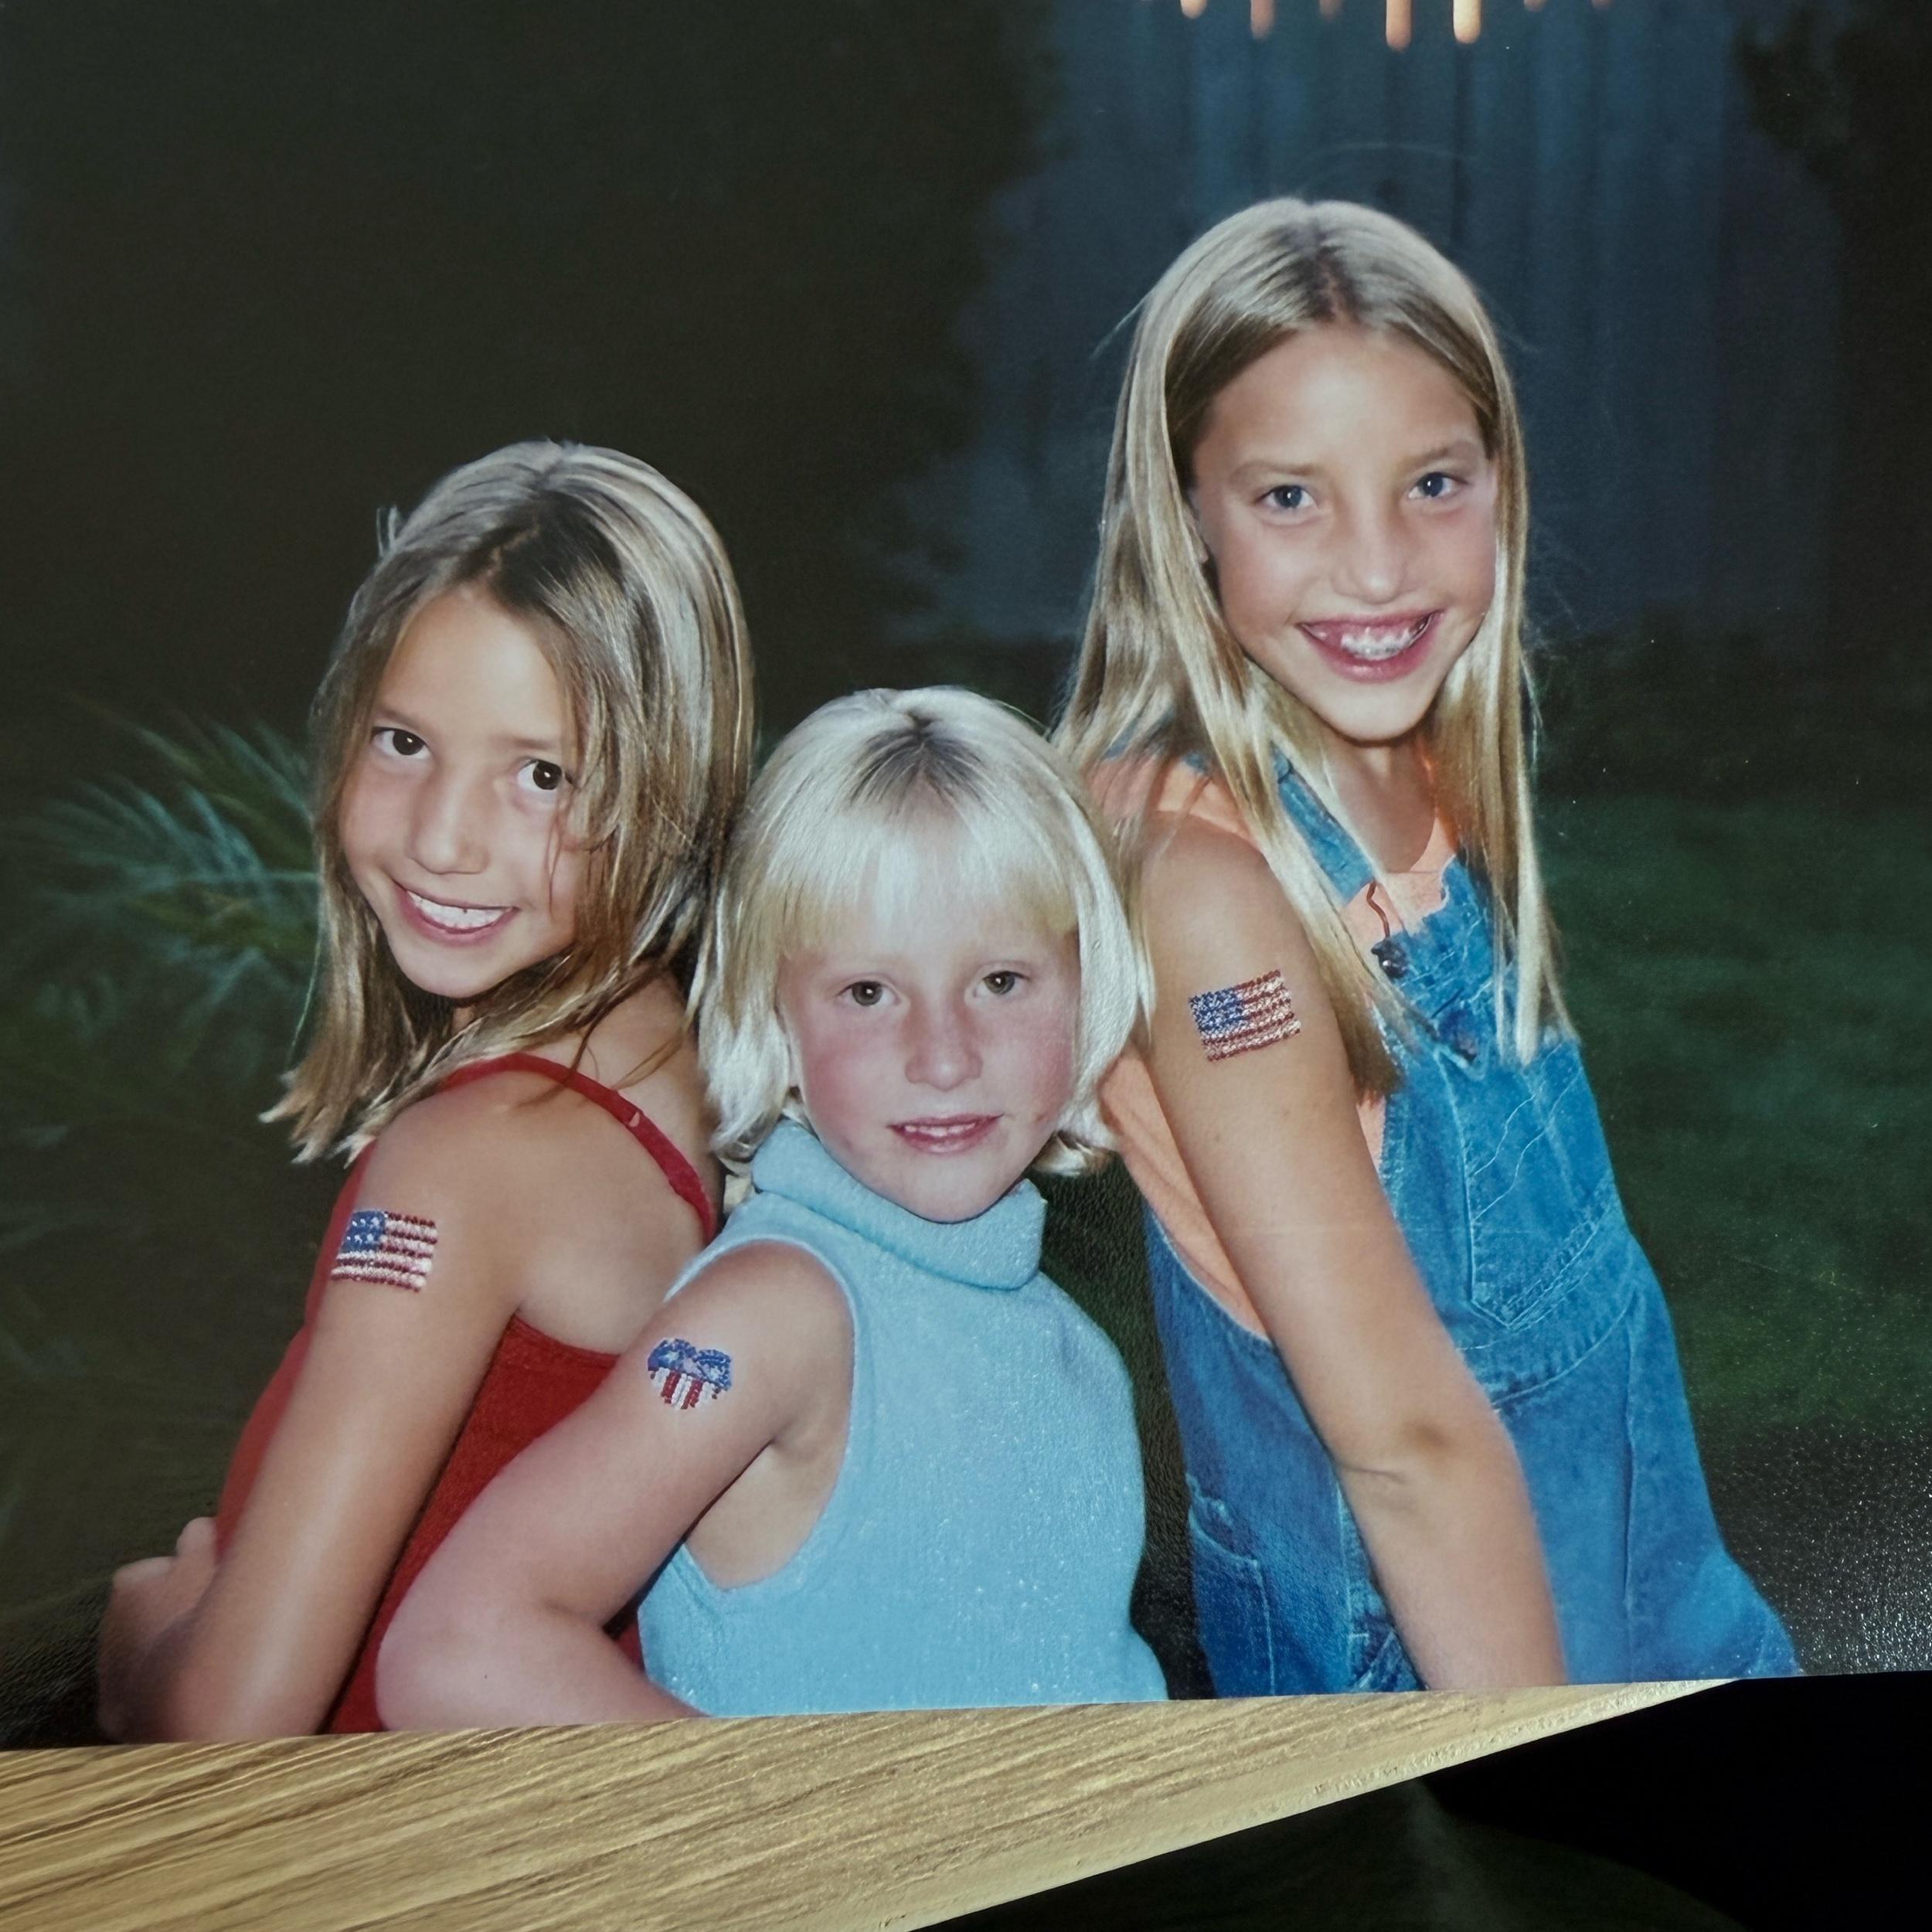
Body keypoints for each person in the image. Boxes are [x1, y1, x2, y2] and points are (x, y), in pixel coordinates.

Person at [1057, 198, 1795, 1693]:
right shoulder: (1207, 890)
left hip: (1639, 1573)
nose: (1380, 569)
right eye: (1291, 498)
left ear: (1503, 482)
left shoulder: (1416, 753)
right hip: (1448, 1662)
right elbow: (1402, 1444)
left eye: (1433, 484)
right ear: (1185, 510)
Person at [94, 441, 754, 1738]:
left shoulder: (466, 1163)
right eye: (403, 742)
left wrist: (141, 1657)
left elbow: (236, 1724)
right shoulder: (672, 1067)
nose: (443, 836)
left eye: (543, 775)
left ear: (670, 790)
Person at [378, 688, 1168, 1723]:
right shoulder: (769, 1316)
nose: (943, 1058)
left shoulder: (1068, 1340)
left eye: (1002, 981)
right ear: (775, 1018)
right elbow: (458, 1646)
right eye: (868, 994)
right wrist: (783, 1822)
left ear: (1089, 987)